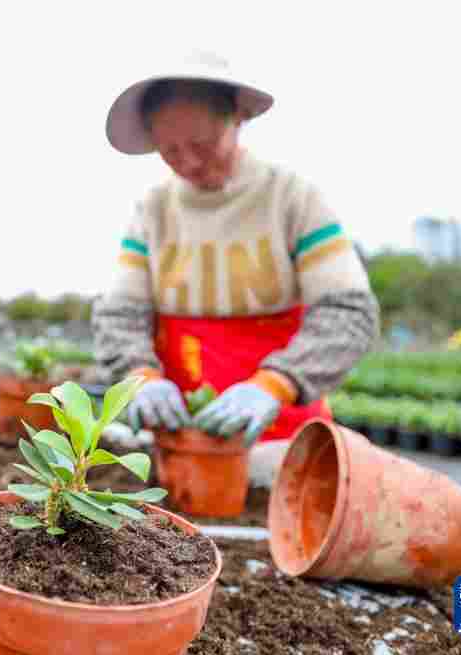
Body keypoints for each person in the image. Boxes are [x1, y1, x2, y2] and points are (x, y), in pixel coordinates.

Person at [94, 51, 380, 446]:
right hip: (180, 432)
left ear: (238, 117)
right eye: (170, 151)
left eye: (204, 143)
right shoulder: (152, 211)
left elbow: (349, 313)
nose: (189, 162)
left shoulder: (291, 196)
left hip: (280, 431)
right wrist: (140, 376)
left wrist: (274, 385)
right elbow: (118, 315)